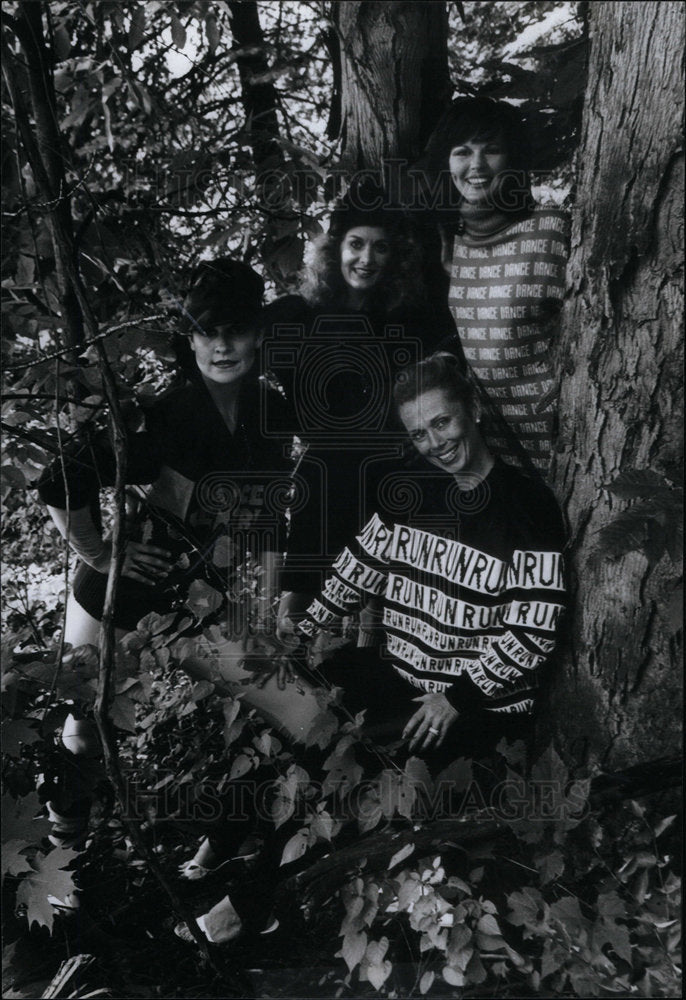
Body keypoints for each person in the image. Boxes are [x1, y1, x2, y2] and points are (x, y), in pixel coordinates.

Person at [299, 352, 567, 762]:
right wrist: (303, 633)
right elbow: (356, 570)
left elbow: (535, 630)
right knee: (299, 721)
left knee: (367, 772)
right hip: (400, 683)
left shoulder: (526, 505)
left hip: (474, 708)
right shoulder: (410, 491)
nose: (435, 444)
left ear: (473, 409)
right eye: (419, 433)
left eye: (442, 422)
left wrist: (455, 699)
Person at [264, 178, 455, 642]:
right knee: (300, 603)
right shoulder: (295, 317)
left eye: (380, 248)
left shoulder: (408, 321)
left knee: (378, 603)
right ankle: (289, 677)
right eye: (355, 244)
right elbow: (227, 355)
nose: (366, 259)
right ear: (335, 249)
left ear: (396, 256)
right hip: (324, 478)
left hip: (389, 476)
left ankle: (364, 682)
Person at [422, 97, 570, 476]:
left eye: (492, 150)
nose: (476, 166)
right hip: (497, 459)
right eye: (462, 152)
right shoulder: (450, 245)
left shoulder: (552, 229)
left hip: (568, 448)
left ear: (513, 159)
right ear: (446, 163)